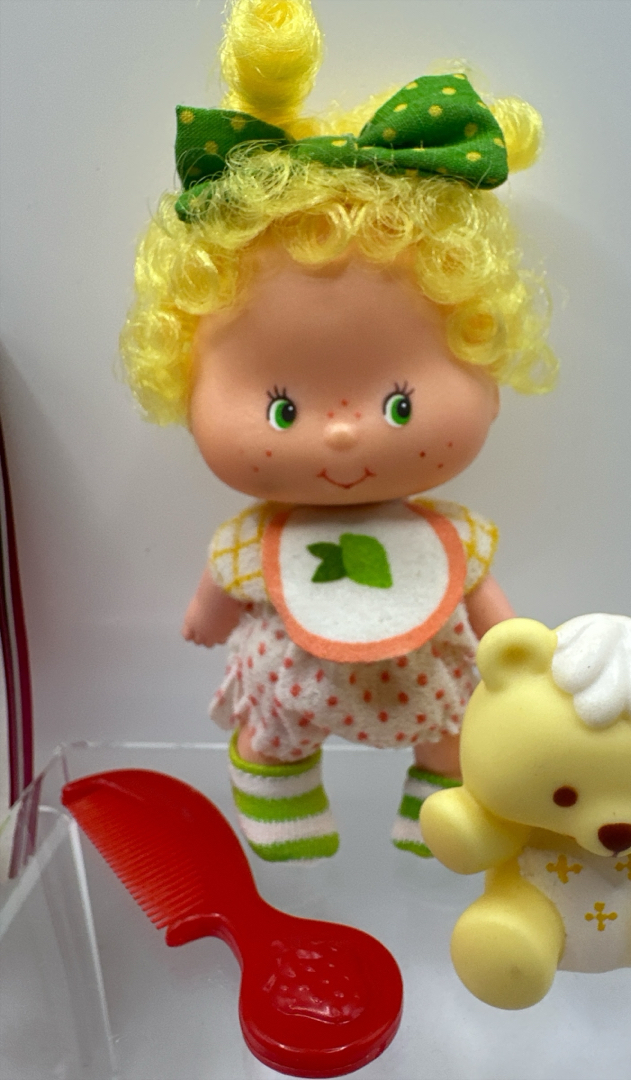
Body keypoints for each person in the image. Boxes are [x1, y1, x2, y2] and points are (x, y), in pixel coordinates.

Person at [120, 0, 556, 862]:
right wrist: (206, 614)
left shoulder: (450, 535)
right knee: (269, 732)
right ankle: (282, 803)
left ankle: (436, 814)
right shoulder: (254, 541)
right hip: (292, 684)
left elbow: (483, 602)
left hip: (423, 683)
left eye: (401, 403)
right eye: (282, 408)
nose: (346, 436)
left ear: (488, 363)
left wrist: (511, 644)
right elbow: (221, 585)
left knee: (457, 732)